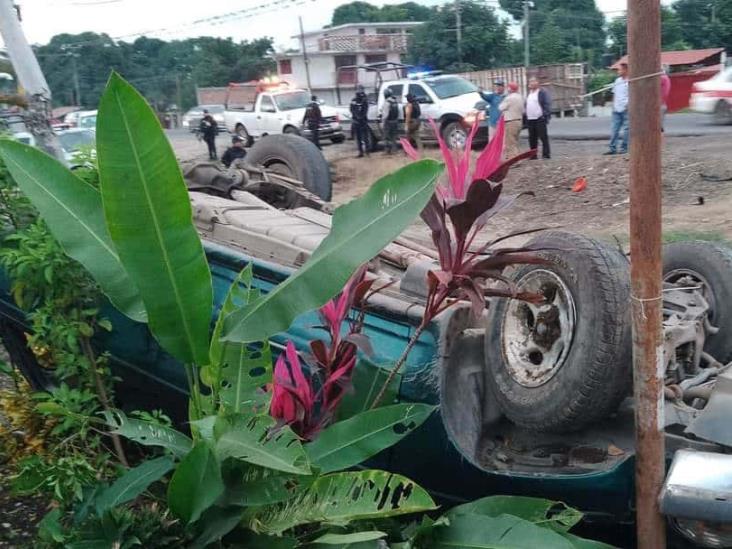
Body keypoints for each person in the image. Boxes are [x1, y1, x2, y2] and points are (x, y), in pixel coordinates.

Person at [525, 77, 552, 159]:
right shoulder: (529, 93)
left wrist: (545, 115)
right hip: (530, 119)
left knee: (543, 137)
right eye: (530, 81)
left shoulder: (542, 92)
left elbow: (547, 104)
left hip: (540, 118)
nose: (531, 83)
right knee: (532, 138)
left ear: (537, 83)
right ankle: (533, 155)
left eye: (533, 81)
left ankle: (546, 155)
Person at [606, 62, 629, 155]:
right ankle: (612, 148)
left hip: (626, 108)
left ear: (626, 70)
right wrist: (613, 105)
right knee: (614, 129)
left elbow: (633, 94)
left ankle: (624, 148)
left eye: (620, 69)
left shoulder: (631, 81)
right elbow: (614, 93)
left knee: (627, 129)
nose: (618, 71)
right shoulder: (617, 81)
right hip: (616, 109)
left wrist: (629, 105)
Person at [499, 82, 524, 159]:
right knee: (515, 141)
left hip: (511, 121)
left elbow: (500, 107)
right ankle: (517, 157)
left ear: (510, 88)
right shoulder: (520, 97)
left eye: (508, 87)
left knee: (510, 142)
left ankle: (514, 159)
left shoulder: (509, 98)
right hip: (519, 120)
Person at [350, 85, 370, 157]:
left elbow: (365, 110)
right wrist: (356, 116)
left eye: (361, 90)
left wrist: (360, 117)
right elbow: (351, 109)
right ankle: (360, 152)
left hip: (363, 121)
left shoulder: (365, 100)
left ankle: (367, 152)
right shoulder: (354, 100)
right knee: (358, 138)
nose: (360, 92)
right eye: (359, 90)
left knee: (365, 137)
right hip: (356, 121)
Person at [380, 88, 400, 154]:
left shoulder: (387, 102)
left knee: (386, 137)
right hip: (395, 121)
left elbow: (385, 114)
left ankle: (387, 151)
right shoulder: (395, 101)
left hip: (388, 122)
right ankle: (395, 150)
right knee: (394, 137)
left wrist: (382, 122)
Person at [660, 64, 671, 133]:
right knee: (660, 125)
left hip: (660, 104)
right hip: (662, 103)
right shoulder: (666, 78)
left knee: (658, 126)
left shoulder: (663, 78)